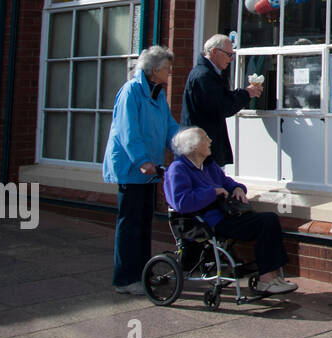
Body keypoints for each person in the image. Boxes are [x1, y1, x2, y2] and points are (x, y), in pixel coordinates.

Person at [163, 127, 296, 294]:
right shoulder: (178, 169)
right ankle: (267, 279)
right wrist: (212, 192)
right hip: (207, 221)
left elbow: (227, 182)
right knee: (266, 221)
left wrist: (238, 188)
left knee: (269, 221)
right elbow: (181, 202)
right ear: (194, 146)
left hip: (226, 214)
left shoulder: (208, 166)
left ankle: (273, 276)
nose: (210, 141)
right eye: (205, 138)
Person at [102, 46, 180, 294]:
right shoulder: (131, 92)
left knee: (144, 222)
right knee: (130, 223)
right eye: (167, 68)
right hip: (132, 168)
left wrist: (187, 145)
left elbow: (170, 127)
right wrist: (142, 161)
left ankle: (143, 274)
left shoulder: (157, 94)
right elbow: (128, 131)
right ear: (154, 70)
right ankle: (125, 279)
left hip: (149, 169)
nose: (170, 72)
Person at [181, 34, 263, 168]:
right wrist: (246, 94)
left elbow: (222, 98)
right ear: (214, 52)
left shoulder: (209, 74)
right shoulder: (203, 76)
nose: (231, 59)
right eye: (228, 54)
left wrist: (245, 93)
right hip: (199, 149)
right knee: (209, 186)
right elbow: (222, 106)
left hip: (205, 146)